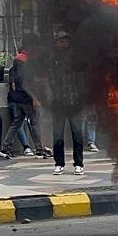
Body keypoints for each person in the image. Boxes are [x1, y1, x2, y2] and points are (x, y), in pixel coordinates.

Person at [0, 43, 51, 159]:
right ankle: (39, 149)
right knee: (35, 123)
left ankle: (5, 148)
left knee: (17, 123)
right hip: (27, 98)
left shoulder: (17, 62)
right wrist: (34, 98)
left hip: (17, 98)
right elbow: (27, 83)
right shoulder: (26, 62)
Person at [49, 32, 85, 175]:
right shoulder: (52, 59)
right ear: (56, 42)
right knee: (57, 135)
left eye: (66, 40)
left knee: (77, 134)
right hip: (58, 103)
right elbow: (49, 81)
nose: (64, 43)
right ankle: (59, 163)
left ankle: (79, 163)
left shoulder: (76, 59)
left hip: (74, 101)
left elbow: (82, 79)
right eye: (61, 41)